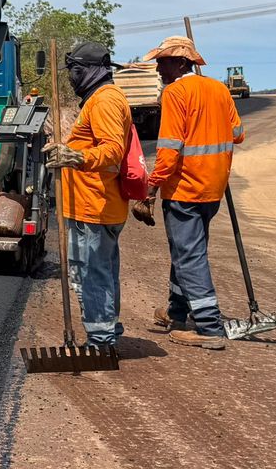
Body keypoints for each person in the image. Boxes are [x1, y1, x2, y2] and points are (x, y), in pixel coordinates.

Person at [133, 35, 245, 351]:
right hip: (213, 188)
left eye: (163, 61)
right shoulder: (220, 89)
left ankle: (209, 328)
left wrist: (151, 188)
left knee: (189, 255)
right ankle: (177, 312)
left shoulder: (175, 93)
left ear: (181, 62)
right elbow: (238, 134)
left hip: (185, 188)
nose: (157, 68)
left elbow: (169, 150)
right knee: (186, 251)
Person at [44, 41, 132, 348]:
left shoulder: (105, 101)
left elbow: (112, 150)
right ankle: (107, 330)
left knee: (90, 274)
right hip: (95, 203)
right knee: (102, 272)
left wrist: (75, 157)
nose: (72, 77)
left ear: (94, 70)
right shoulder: (100, 99)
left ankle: (100, 341)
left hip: (94, 204)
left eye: (76, 71)